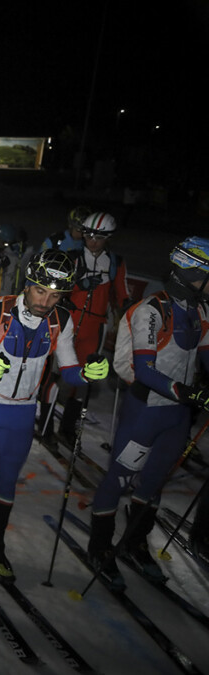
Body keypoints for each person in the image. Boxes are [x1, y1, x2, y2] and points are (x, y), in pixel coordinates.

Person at [0, 249, 108, 583]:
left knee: (7, 482)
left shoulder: (61, 320)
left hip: (22, 412)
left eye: (55, 294)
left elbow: (69, 370)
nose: (46, 300)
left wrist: (89, 373)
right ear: (28, 284)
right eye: (40, 290)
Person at [88, 237, 209, 587]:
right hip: (146, 411)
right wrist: (190, 393)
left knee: (154, 482)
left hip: (178, 416)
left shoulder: (201, 310)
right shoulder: (151, 311)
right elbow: (144, 370)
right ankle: (99, 545)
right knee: (119, 479)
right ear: (192, 271)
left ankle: (134, 543)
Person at [54, 212, 129, 443]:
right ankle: (43, 415)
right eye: (88, 235)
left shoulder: (115, 262)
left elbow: (122, 293)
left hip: (95, 326)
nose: (92, 241)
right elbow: (56, 287)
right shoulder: (73, 256)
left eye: (99, 237)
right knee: (54, 369)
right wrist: (78, 285)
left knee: (84, 375)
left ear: (108, 237)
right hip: (69, 320)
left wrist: (128, 308)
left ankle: (67, 427)